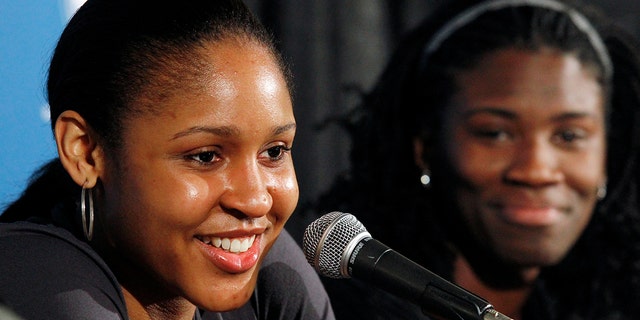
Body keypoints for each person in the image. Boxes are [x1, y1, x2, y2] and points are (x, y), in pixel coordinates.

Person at [0, 0, 335, 319]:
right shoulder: (38, 279)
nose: (255, 200)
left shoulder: (270, 269)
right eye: (205, 157)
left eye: (274, 152)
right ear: (86, 152)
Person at [314, 0, 640, 319]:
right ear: (425, 148)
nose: (536, 170)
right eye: (496, 133)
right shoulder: (327, 308)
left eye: (569, 136)